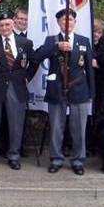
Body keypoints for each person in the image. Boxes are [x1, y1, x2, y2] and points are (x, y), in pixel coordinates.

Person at [34, 9, 95, 175]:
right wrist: (56, 47)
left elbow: (89, 68)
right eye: (63, 20)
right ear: (58, 23)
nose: (66, 23)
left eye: (70, 20)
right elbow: (37, 56)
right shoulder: (52, 40)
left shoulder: (84, 41)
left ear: (75, 22)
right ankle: (56, 159)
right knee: (56, 128)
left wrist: (92, 93)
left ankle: (78, 161)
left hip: (79, 90)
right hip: (57, 90)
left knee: (79, 129)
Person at [0, 12, 37, 171]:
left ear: (13, 24)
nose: (4, 28)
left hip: (16, 88)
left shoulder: (25, 43)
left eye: (7, 24)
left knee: (16, 125)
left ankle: (14, 156)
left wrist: (27, 77)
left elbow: (34, 62)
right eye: (1, 26)